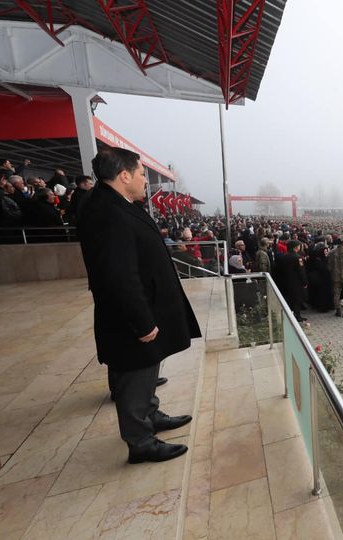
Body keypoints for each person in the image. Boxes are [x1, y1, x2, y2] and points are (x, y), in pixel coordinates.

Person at [78, 147, 200, 464]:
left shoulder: (114, 204)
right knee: (135, 373)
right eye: (142, 174)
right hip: (133, 315)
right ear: (124, 176)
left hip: (143, 306)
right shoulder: (108, 212)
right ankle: (140, 441)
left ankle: (150, 414)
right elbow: (120, 275)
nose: (146, 181)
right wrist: (142, 321)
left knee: (146, 371)